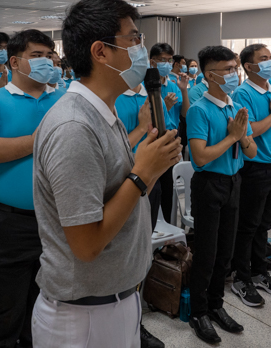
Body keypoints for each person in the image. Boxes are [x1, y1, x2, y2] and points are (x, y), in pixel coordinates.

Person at [32, 0, 181, 348]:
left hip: (114, 300)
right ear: (101, 51)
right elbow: (86, 245)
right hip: (83, 317)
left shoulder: (102, 112)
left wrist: (151, 167)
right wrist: (143, 175)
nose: (141, 49)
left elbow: (116, 190)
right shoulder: (74, 126)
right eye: (133, 39)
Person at [0, 29, 62, 348]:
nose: (46, 61)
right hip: (10, 223)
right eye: (37, 56)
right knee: (6, 308)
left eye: (49, 55)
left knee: (48, 306)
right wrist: (36, 141)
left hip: (57, 219)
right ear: (15, 62)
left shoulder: (64, 98)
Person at [187, 45, 256, 344]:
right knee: (206, 252)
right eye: (227, 69)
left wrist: (242, 136)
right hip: (209, 185)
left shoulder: (235, 107)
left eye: (234, 68)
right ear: (209, 74)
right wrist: (232, 136)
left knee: (225, 251)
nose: (233, 74)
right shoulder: (199, 110)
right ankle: (198, 312)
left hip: (233, 182)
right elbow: (200, 158)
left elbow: (251, 151)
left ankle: (216, 305)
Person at [230, 44, 271, 309]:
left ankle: (259, 272)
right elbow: (249, 131)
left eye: (270, 58)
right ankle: (240, 278)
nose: (270, 62)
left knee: (264, 225)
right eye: (264, 59)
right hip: (255, 167)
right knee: (247, 226)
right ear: (249, 66)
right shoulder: (241, 94)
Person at [114, 80, 170, 348]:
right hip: (120, 184)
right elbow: (112, 147)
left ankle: (136, 319)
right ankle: (116, 319)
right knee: (118, 252)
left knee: (141, 250)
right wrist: (140, 127)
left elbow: (164, 133)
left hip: (152, 179)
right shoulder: (111, 97)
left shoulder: (152, 96)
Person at [149, 43, 189, 221]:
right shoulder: (147, 86)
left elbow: (185, 113)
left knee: (167, 189)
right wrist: (164, 106)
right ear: (152, 62)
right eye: (162, 60)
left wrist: (183, 90)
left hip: (172, 140)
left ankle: (166, 231)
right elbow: (146, 120)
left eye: (169, 60)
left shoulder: (173, 85)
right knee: (152, 189)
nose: (167, 63)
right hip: (155, 142)